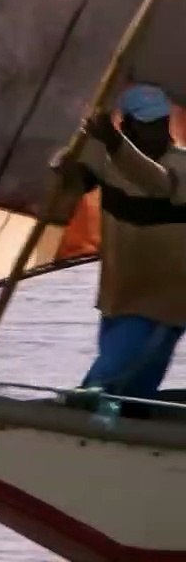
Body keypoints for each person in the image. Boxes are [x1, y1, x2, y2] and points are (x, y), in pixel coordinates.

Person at [53, 82, 186, 407]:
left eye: (161, 123)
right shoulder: (108, 162)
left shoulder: (181, 166)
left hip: (160, 308)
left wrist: (112, 142)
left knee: (101, 386)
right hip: (117, 301)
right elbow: (69, 188)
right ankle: (120, 441)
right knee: (131, 398)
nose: (158, 133)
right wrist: (65, 167)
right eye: (147, 125)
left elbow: (156, 183)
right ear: (126, 125)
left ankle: (78, 430)